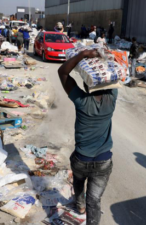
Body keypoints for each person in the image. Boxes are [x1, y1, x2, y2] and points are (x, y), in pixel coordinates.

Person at [58, 49, 117, 225]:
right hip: (103, 161)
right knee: (95, 201)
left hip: (81, 159)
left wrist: (83, 55)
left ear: (86, 85)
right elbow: (114, 75)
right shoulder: (112, 100)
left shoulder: (81, 101)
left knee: (78, 181)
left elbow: (62, 72)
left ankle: (79, 205)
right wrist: (106, 56)